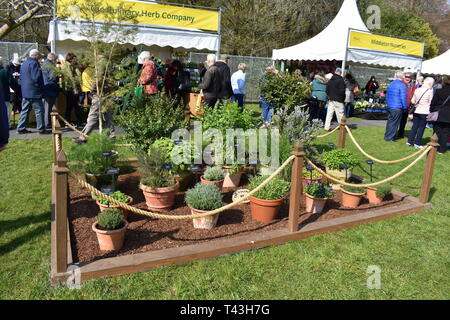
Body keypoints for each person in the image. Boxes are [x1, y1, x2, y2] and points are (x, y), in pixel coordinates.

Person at [73, 55, 115, 144]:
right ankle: (111, 136)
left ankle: (83, 137)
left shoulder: (101, 64)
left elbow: (97, 79)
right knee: (108, 116)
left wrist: (92, 91)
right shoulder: (109, 64)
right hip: (107, 93)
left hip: (100, 94)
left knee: (93, 115)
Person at [16, 49, 49, 135]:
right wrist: (42, 88)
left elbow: (21, 78)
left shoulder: (24, 64)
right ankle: (41, 129)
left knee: (25, 110)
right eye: (39, 56)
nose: (39, 57)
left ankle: (21, 127)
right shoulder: (34, 63)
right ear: (36, 56)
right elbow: (36, 78)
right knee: (39, 111)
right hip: (34, 92)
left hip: (26, 91)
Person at [407, 77, 434, 149]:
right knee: (421, 128)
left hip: (416, 110)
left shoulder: (417, 89)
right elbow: (431, 102)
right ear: (430, 83)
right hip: (424, 111)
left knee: (414, 127)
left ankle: (409, 141)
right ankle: (417, 143)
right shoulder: (430, 91)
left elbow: (413, 101)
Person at [384, 71, 407, 142]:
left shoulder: (391, 84)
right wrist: (405, 107)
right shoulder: (402, 85)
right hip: (397, 107)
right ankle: (390, 137)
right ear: (403, 77)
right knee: (395, 123)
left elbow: (387, 95)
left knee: (390, 122)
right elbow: (403, 98)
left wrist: (388, 104)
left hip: (390, 106)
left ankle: (387, 136)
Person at [429, 75, 450, 154]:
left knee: (437, 131)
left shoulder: (439, 91)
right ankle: (441, 149)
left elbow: (433, 103)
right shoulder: (439, 91)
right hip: (448, 115)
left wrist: (431, 111)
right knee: (446, 132)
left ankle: (434, 146)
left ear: (443, 82)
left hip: (438, 113)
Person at [62, 53, 83, 127]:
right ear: (71, 59)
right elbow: (71, 78)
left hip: (74, 88)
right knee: (70, 106)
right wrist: (75, 88)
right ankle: (68, 123)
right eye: (74, 59)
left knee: (75, 105)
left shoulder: (72, 65)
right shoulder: (68, 65)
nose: (75, 60)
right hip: (71, 89)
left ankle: (79, 121)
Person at [42, 53, 60, 129]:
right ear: (53, 59)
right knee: (48, 108)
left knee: (45, 108)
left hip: (44, 88)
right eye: (56, 59)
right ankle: (47, 124)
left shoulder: (43, 64)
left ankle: (45, 123)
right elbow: (52, 78)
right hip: (50, 89)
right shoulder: (51, 67)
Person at [397, 73, 416, 139]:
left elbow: (414, 94)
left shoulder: (412, 85)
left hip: (408, 106)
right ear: (403, 77)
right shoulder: (401, 84)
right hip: (400, 105)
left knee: (403, 121)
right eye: (406, 77)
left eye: (409, 77)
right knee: (397, 120)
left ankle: (400, 134)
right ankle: (393, 134)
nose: (407, 78)